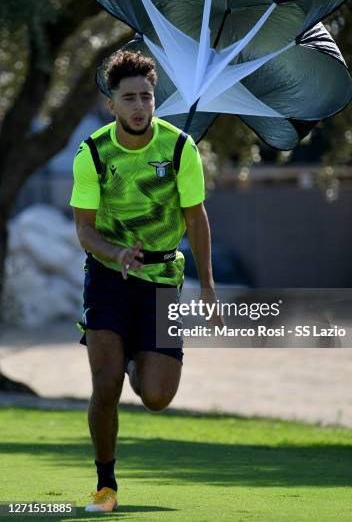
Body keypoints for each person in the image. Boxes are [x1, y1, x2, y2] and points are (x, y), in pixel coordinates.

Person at [70, 50, 218, 513]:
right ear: (110, 104)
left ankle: (139, 360)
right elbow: (84, 230)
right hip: (108, 277)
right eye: (129, 97)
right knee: (106, 383)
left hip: (161, 281)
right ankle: (106, 484)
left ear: (156, 100)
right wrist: (116, 253)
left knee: (156, 397)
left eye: (147, 97)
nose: (139, 106)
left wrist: (208, 286)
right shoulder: (93, 153)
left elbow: (196, 220)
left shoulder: (180, 149)